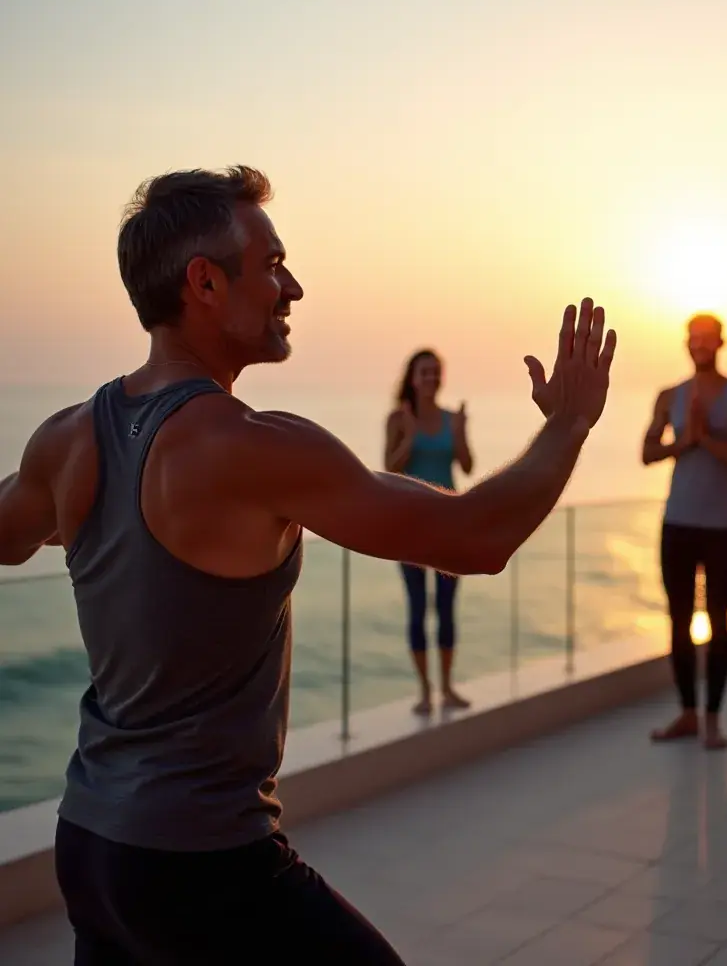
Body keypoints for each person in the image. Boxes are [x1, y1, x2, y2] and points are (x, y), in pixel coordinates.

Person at [0, 166, 616, 964]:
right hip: (204, 863)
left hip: (90, 844)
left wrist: (106, 521)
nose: (293, 287)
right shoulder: (251, 446)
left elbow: (9, 535)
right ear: (205, 283)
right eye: (272, 265)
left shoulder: (66, 439)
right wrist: (568, 425)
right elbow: (474, 538)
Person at [642, 312, 727, 750]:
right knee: (677, 622)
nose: (700, 345)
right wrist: (683, 441)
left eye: (708, 338)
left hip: (721, 525)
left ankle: (713, 719)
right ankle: (688, 713)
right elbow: (648, 451)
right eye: (694, 338)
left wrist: (704, 437)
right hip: (678, 522)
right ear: (686, 344)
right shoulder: (668, 395)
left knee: (718, 621)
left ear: (721, 342)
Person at [384, 349, 474, 714]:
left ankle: (448, 687)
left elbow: (468, 466)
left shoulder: (452, 418)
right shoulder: (398, 418)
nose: (432, 378)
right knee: (418, 608)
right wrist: (408, 434)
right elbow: (389, 468)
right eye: (425, 372)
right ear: (412, 377)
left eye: (437, 372)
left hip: (450, 526)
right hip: (410, 527)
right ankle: (424, 691)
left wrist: (462, 432)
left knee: (447, 608)